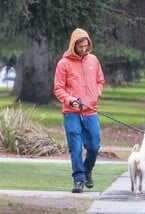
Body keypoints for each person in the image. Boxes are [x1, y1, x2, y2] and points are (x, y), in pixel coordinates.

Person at [53, 28, 105, 193]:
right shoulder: (63, 64)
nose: (83, 49)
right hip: (71, 112)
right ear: (73, 45)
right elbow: (58, 89)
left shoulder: (93, 60)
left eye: (86, 45)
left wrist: (96, 95)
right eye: (80, 46)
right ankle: (78, 179)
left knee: (94, 146)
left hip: (91, 111)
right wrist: (71, 100)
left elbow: (100, 81)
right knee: (75, 147)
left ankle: (87, 170)